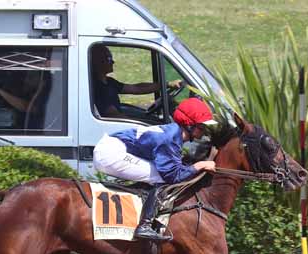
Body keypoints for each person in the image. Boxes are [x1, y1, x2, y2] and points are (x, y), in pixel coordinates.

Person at [93, 97, 217, 241]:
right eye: (201, 126)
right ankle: (144, 226)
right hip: (110, 153)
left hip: (112, 148)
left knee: (155, 174)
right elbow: (173, 176)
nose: (204, 131)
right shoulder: (169, 139)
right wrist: (200, 165)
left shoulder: (174, 134)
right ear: (189, 125)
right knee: (160, 177)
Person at [91, 44, 182, 118]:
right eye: (109, 59)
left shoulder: (109, 82)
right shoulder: (97, 87)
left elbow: (136, 88)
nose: (113, 62)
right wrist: (138, 125)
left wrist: (167, 84)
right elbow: (112, 115)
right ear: (98, 61)